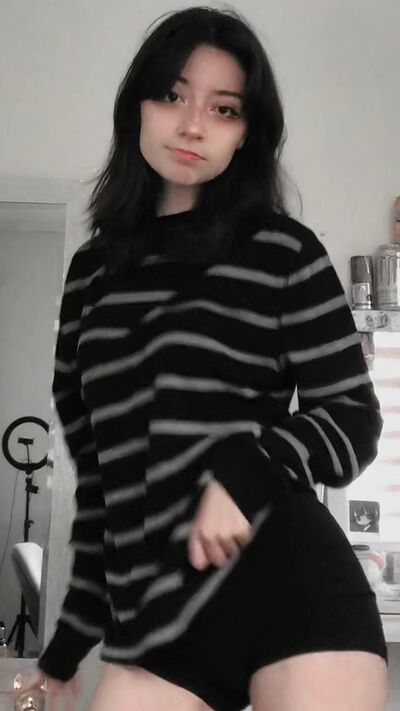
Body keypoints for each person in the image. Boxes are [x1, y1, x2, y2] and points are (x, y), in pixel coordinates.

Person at [16, 6, 388, 711]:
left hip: (289, 582)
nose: (193, 126)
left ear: (247, 132)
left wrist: (248, 472)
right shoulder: (91, 272)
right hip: (159, 614)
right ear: (137, 105)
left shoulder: (283, 251)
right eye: (172, 95)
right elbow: (102, 482)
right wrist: (65, 648)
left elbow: (353, 418)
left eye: (224, 109)